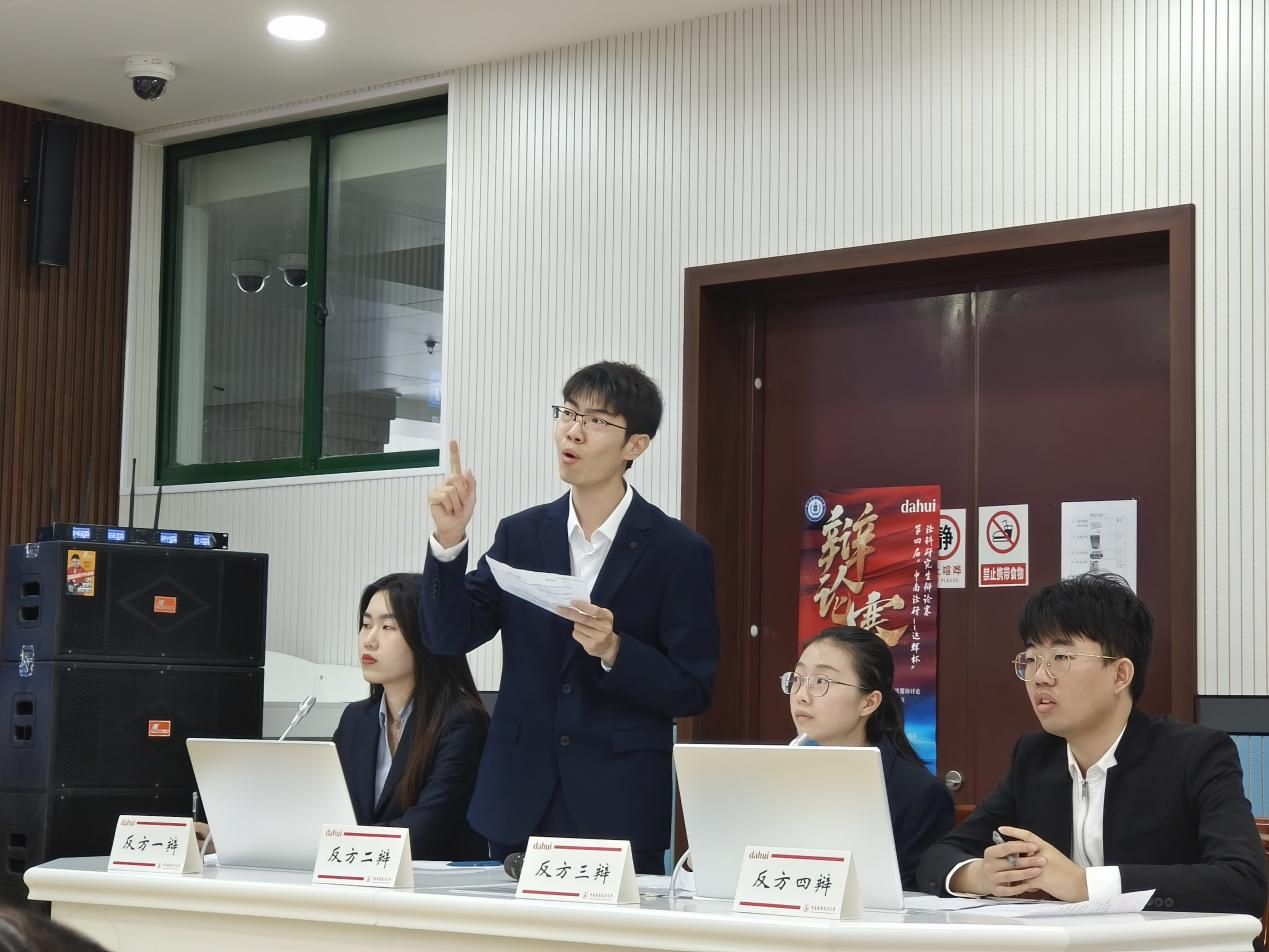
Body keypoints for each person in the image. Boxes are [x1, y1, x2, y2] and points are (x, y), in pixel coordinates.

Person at [422, 361, 720, 873]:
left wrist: (615, 652)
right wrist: (449, 541)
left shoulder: (677, 550)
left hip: (618, 802)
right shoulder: (521, 535)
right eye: (568, 413)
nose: (574, 431)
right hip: (517, 799)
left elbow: (693, 688)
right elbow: (447, 636)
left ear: (635, 445)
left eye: (597, 421)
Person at [916, 574, 1268, 920]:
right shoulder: (1034, 757)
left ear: (1120, 675)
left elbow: (1243, 882)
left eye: (1060, 658)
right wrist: (981, 875)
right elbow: (938, 856)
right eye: (1031, 659)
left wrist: (1084, 884)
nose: (1040, 677)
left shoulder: (1195, 754)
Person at [332, 573, 489, 860]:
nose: (369, 640)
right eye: (366, 625)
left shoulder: (462, 722)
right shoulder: (355, 720)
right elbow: (332, 809)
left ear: (426, 637)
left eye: (387, 627)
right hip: (361, 874)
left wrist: (339, 844)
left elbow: (426, 831)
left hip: (434, 881)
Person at [784, 626, 954, 890]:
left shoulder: (919, 794)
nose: (802, 696)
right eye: (797, 679)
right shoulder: (782, 775)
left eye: (821, 682)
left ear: (869, 702)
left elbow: (913, 896)